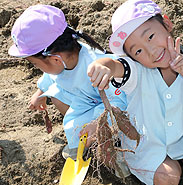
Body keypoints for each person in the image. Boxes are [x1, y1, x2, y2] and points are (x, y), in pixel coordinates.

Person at [84, 0, 183, 185]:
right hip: (148, 143)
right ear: (132, 57)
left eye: (150, 36)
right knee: (168, 180)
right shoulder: (137, 72)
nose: (150, 51)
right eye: (138, 51)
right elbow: (116, 65)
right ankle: (151, 183)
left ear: (167, 24)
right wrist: (102, 65)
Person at [8, 5, 127, 160]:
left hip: (110, 108)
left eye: (35, 64)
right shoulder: (64, 59)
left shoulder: (96, 67)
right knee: (54, 93)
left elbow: (121, 101)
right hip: (85, 101)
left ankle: (111, 144)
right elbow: (51, 77)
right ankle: (86, 138)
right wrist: (40, 92)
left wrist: (99, 123)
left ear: (56, 59)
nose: (36, 67)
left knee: (100, 130)